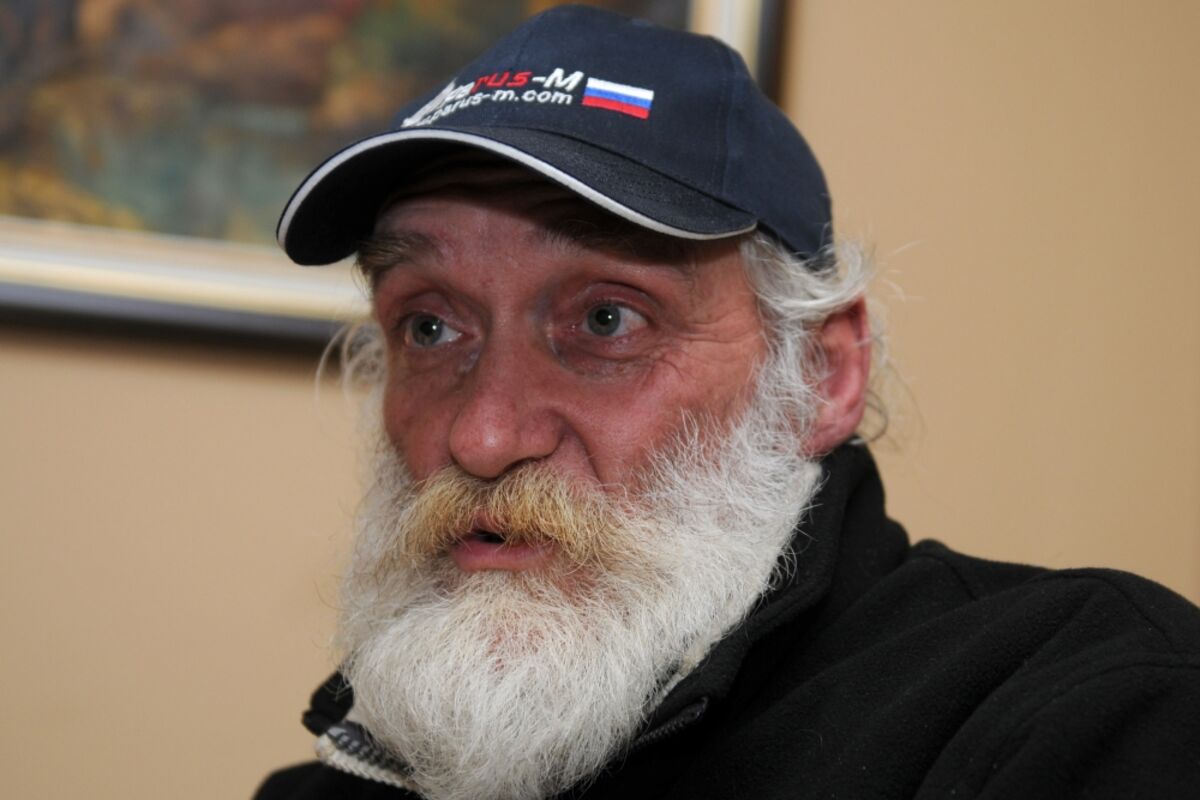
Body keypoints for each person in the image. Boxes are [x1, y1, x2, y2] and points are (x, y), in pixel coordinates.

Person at [257, 6, 1200, 799]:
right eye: (430, 327)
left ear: (822, 377)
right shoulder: (328, 787)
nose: (484, 434)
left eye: (608, 320)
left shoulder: (1077, 714)